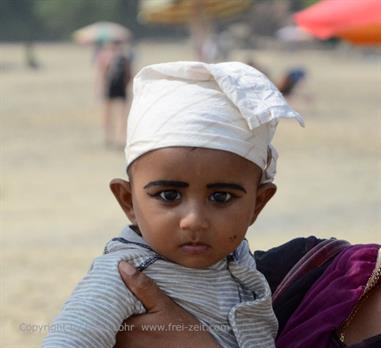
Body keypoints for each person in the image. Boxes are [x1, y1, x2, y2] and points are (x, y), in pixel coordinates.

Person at [42, 61, 305, 348]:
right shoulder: (125, 276)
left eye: (221, 197)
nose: (193, 220)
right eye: (169, 196)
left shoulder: (241, 262)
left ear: (258, 203)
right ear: (128, 200)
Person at [96, 40, 132, 148]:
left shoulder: (104, 56)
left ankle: (108, 137)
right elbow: (129, 74)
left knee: (107, 113)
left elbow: (101, 74)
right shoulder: (124, 57)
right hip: (121, 88)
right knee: (121, 114)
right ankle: (120, 138)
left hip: (109, 88)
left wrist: (100, 88)